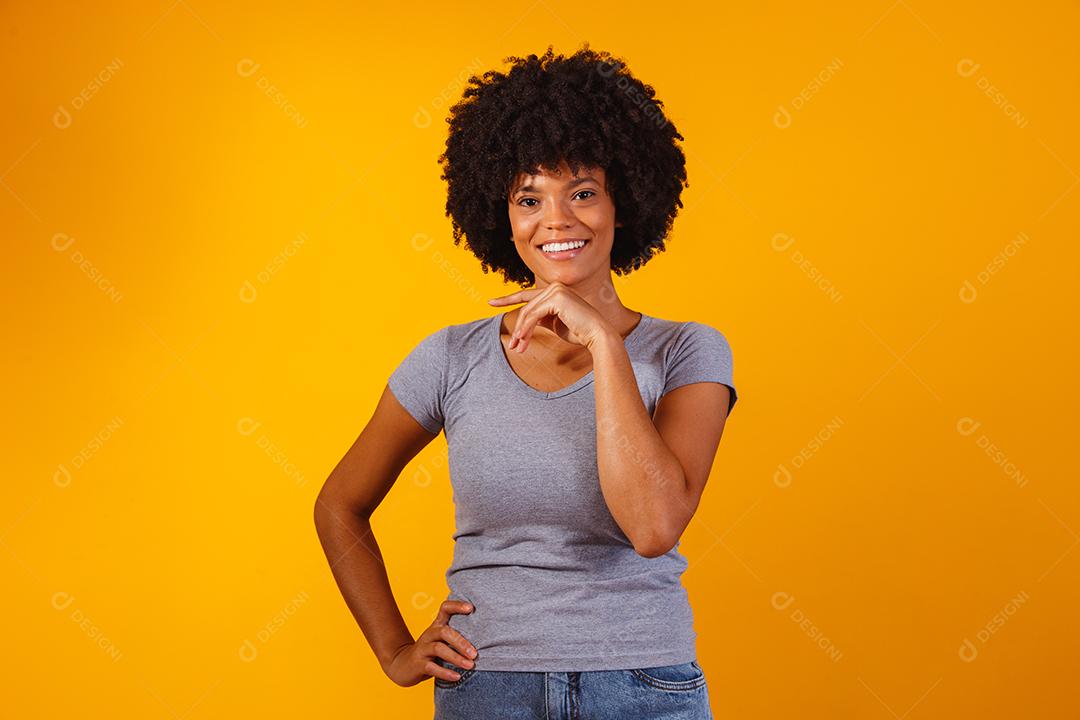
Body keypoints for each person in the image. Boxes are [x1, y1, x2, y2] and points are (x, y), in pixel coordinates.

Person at [315, 43, 738, 719]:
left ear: (623, 202)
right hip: (491, 687)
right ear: (501, 216)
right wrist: (395, 650)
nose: (557, 220)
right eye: (529, 198)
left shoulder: (686, 352)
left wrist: (602, 342)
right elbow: (339, 505)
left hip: (642, 686)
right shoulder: (450, 359)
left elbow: (655, 526)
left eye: (583, 192)